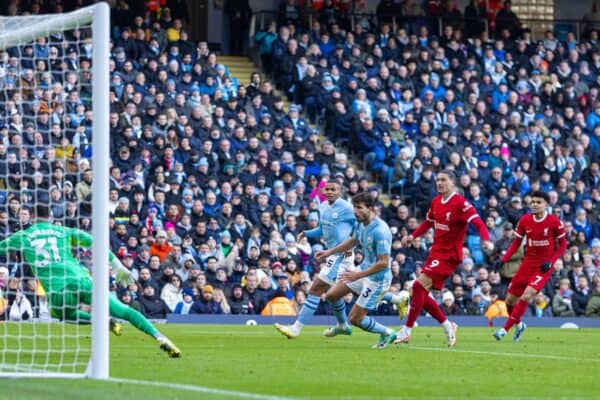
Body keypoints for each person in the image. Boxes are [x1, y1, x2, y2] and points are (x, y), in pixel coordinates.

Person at [0, 205, 181, 358]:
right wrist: (117, 266)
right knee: (123, 311)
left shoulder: (22, 236)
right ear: (52, 217)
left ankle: (101, 321)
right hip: (81, 279)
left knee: (60, 314)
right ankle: (159, 337)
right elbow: (95, 242)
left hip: (57, 290)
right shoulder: (64, 231)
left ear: (32, 217)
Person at [395, 170, 493, 347]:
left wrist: (486, 239)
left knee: (417, 286)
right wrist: (413, 235)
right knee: (421, 294)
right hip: (435, 252)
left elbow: (478, 223)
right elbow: (428, 222)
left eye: (443, 180)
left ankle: (406, 330)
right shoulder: (436, 201)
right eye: (438, 180)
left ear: (452, 183)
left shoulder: (461, 203)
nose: (439, 183)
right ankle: (448, 326)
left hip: (449, 255)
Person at [275, 180, 356, 338]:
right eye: (328, 189)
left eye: (334, 189)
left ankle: (296, 328)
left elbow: (360, 227)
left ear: (340, 192)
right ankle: (343, 325)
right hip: (332, 254)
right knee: (335, 294)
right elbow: (323, 229)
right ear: (323, 191)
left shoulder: (346, 208)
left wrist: (352, 245)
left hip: (341, 255)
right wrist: (307, 233)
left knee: (316, 289)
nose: (330, 192)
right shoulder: (324, 206)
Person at [317, 192, 397, 349]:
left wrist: (357, 275)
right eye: (354, 207)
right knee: (332, 295)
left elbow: (384, 263)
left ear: (371, 208)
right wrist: (329, 252)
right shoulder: (360, 224)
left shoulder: (380, 231)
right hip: (362, 271)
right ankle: (342, 326)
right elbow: (353, 241)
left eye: (359, 207)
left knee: (355, 319)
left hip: (377, 279)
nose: (355, 211)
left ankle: (388, 333)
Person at [493, 191, 567, 342]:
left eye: (538, 202)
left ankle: (504, 330)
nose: (534, 204)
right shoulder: (525, 220)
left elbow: (563, 245)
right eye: (533, 202)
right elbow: (516, 243)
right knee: (509, 302)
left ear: (546, 205)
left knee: (527, 295)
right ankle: (519, 325)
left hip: (543, 267)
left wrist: (551, 261)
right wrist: (504, 259)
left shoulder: (554, 222)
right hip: (527, 264)